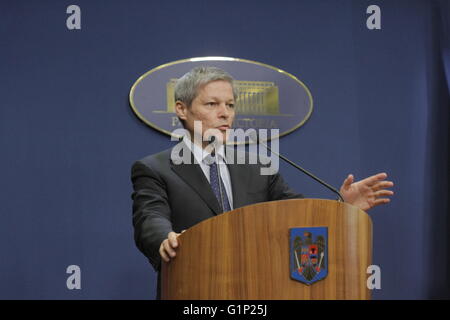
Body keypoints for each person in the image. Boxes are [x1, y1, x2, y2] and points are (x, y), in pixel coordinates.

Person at [130, 66, 394, 298]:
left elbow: (297, 215)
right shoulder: (156, 168)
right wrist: (166, 238)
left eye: (230, 105)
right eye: (212, 104)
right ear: (181, 109)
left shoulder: (258, 166)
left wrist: (341, 207)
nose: (225, 114)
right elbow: (150, 218)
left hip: (260, 292)